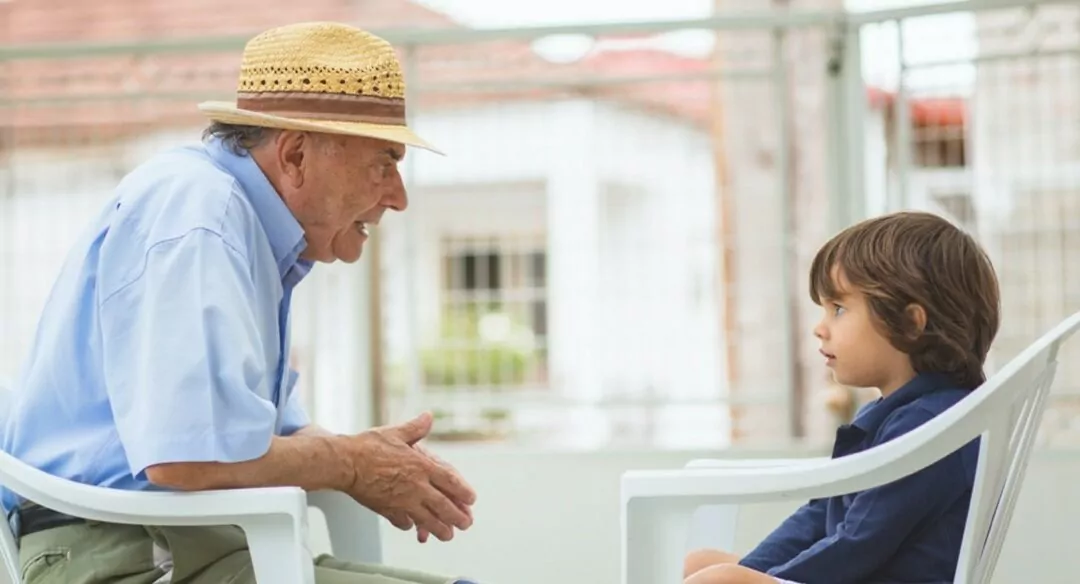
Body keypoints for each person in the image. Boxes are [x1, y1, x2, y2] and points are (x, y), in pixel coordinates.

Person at [1, 21, 483, 584]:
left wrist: (383, 463)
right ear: (296, 155)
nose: (397, 196)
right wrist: (353, 463)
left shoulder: (242, 225)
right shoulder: (201, 213)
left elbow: (273, 436)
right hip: (124, 553)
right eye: (384, 163)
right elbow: (188, 457)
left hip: (189, 546)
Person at [682, 211, 1000, 584]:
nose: (820, 328)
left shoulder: (932, 426)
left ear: (911, 323)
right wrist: (755, 570)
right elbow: (820, 516)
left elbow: (859, 542)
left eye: (839, 309)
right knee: (701, 564)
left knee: (719, 579)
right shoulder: (897, 415)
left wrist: (772, 581)